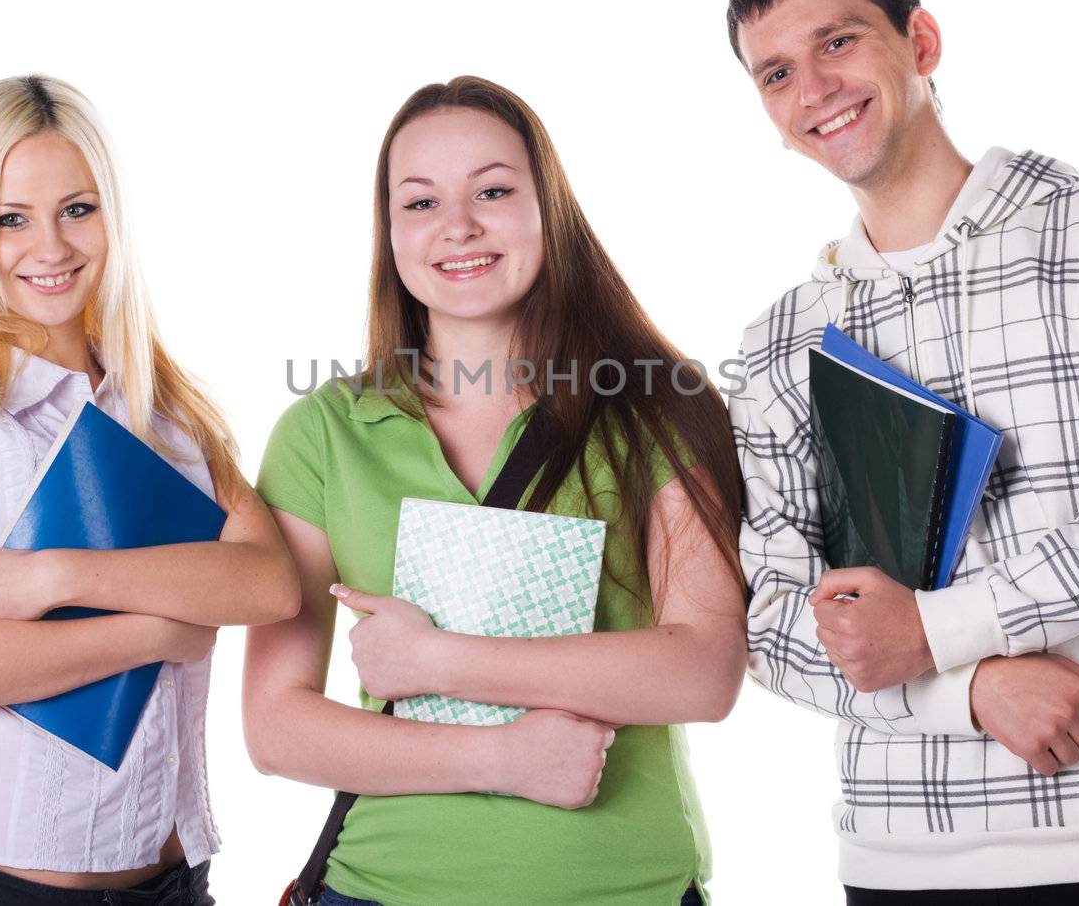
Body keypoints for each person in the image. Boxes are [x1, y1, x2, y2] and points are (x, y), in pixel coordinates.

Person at [725, 0, 1079, 904]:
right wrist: (961, 689)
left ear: (920, 41)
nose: (812, 88)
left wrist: (937, 628)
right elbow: (770, 618)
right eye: (775, 72)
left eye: (838, 42)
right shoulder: (779, 343)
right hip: (896, 853)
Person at [245, 75, 746, 906]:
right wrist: (506, 758)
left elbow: (706, 667)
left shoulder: (661, 404)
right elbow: (275, 726)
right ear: (390, 232)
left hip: (625, 888)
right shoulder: (323, 432)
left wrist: (441, 660)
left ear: (549, 205)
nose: (459, 226)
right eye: (420, 202)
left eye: (494, 190)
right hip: (380, 886)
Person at [0, 75, 301, 904]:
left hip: (179, 884)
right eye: (9, 218)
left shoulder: (166, 407)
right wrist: (154, 630)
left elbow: (270, 581)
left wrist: (59, 575)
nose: (51, 246)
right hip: (15, 888)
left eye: (78, 208)